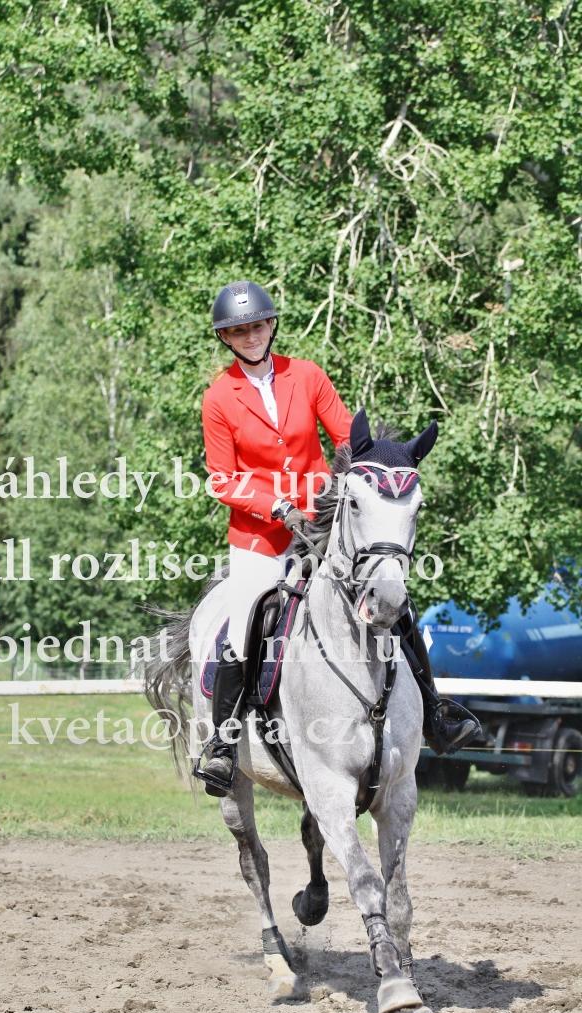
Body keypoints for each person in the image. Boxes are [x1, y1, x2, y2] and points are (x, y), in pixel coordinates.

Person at [196, 279, 479, 795]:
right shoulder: (219, 398)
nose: (251, 336)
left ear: (271, 325)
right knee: (242, 629)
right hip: (259, 537)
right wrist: (275, 505)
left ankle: (435, 712)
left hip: (323, 526)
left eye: (258, 326)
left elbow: (350, 437)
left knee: (392, 600)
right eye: (239, 331)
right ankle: (223, 743)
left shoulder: (306, 376)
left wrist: (387, 462)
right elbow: (221, 479)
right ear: (226, 338)